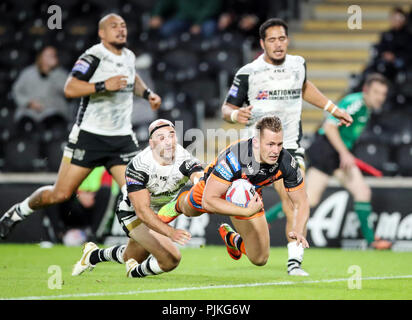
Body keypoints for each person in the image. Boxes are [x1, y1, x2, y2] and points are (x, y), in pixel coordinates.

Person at [0, 13, 162, 239]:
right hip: (90, 136)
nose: (120, 29)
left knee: (137, 194)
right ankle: (18, 212)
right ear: (101, 33)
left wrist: (147, 93)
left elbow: (132, 78)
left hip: (121, 138)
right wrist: (104, 85)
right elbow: (70, 88)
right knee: (60, 194)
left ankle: (144, 252)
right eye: (114, 26)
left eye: (123, 25)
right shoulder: (93, 56)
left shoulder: (128, 56)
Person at [220, 18, 353, 275]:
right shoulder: (249, 72)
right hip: (253, 152)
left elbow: (303, 87)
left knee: (293, 201)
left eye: (282, 38)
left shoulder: (298, 64)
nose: (278, 44)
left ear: (287, 40)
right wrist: (236, 116)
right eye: (272, 40)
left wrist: (333, 109)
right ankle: (236, 239)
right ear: (262, 43)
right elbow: (227, 108)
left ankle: (294, 261)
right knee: (242, 212)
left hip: (288, 146)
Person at [158, 116, 310, 269]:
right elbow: (209, 200)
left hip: (248, 194)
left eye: (279, 144)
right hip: (214, 187)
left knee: (260, 258)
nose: (276, 151)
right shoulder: (236, 157)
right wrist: (245, 211)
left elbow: (302, 202)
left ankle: (233, 240)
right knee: (190, 210)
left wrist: (298, 230)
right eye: (270, 144)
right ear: (256, 142)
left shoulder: (286, 162)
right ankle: (177, 205)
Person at [72, 119, 204, 278]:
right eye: (161, 138)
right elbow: (142, 211)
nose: (168, 142)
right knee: (171, 259)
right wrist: (170, 232)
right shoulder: (139, 165)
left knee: (131, 257)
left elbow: (197, 174)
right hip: (132, 213)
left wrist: (200, 183)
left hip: (157, 212)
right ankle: (134, 273)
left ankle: (93, 255)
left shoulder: (183, 156)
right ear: (152, 143)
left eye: (171, 135)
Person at [305, 73, 392, 250]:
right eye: (376, 92)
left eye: (383, 94)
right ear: (366, 90)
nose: (380, 97)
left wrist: (344, 153)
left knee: (362, 191)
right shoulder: (356, 102)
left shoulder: (366, 108)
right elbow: (329, 127)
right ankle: (264, 220)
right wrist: (345, 153)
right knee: (308, 201)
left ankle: (371, 242)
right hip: (326, 150)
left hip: (338, 154)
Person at [12, 45, 70, 123]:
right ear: (41, 57)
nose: (53, 57)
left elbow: (67, 91)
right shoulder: (28, 73)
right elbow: (16, 91)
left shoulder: (61, 74)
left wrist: (52, 74)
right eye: (49, 55)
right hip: (30, 111)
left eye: (54, 55)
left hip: (54, 111)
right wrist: (28, 103)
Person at [149, 0, 223, 38]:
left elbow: (212, 7)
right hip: (183, 18)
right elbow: (165, 2)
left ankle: (211, 57)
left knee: (209, 28)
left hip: (205, 19)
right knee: (166, 29)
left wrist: (198, 23)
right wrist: (157, 14)